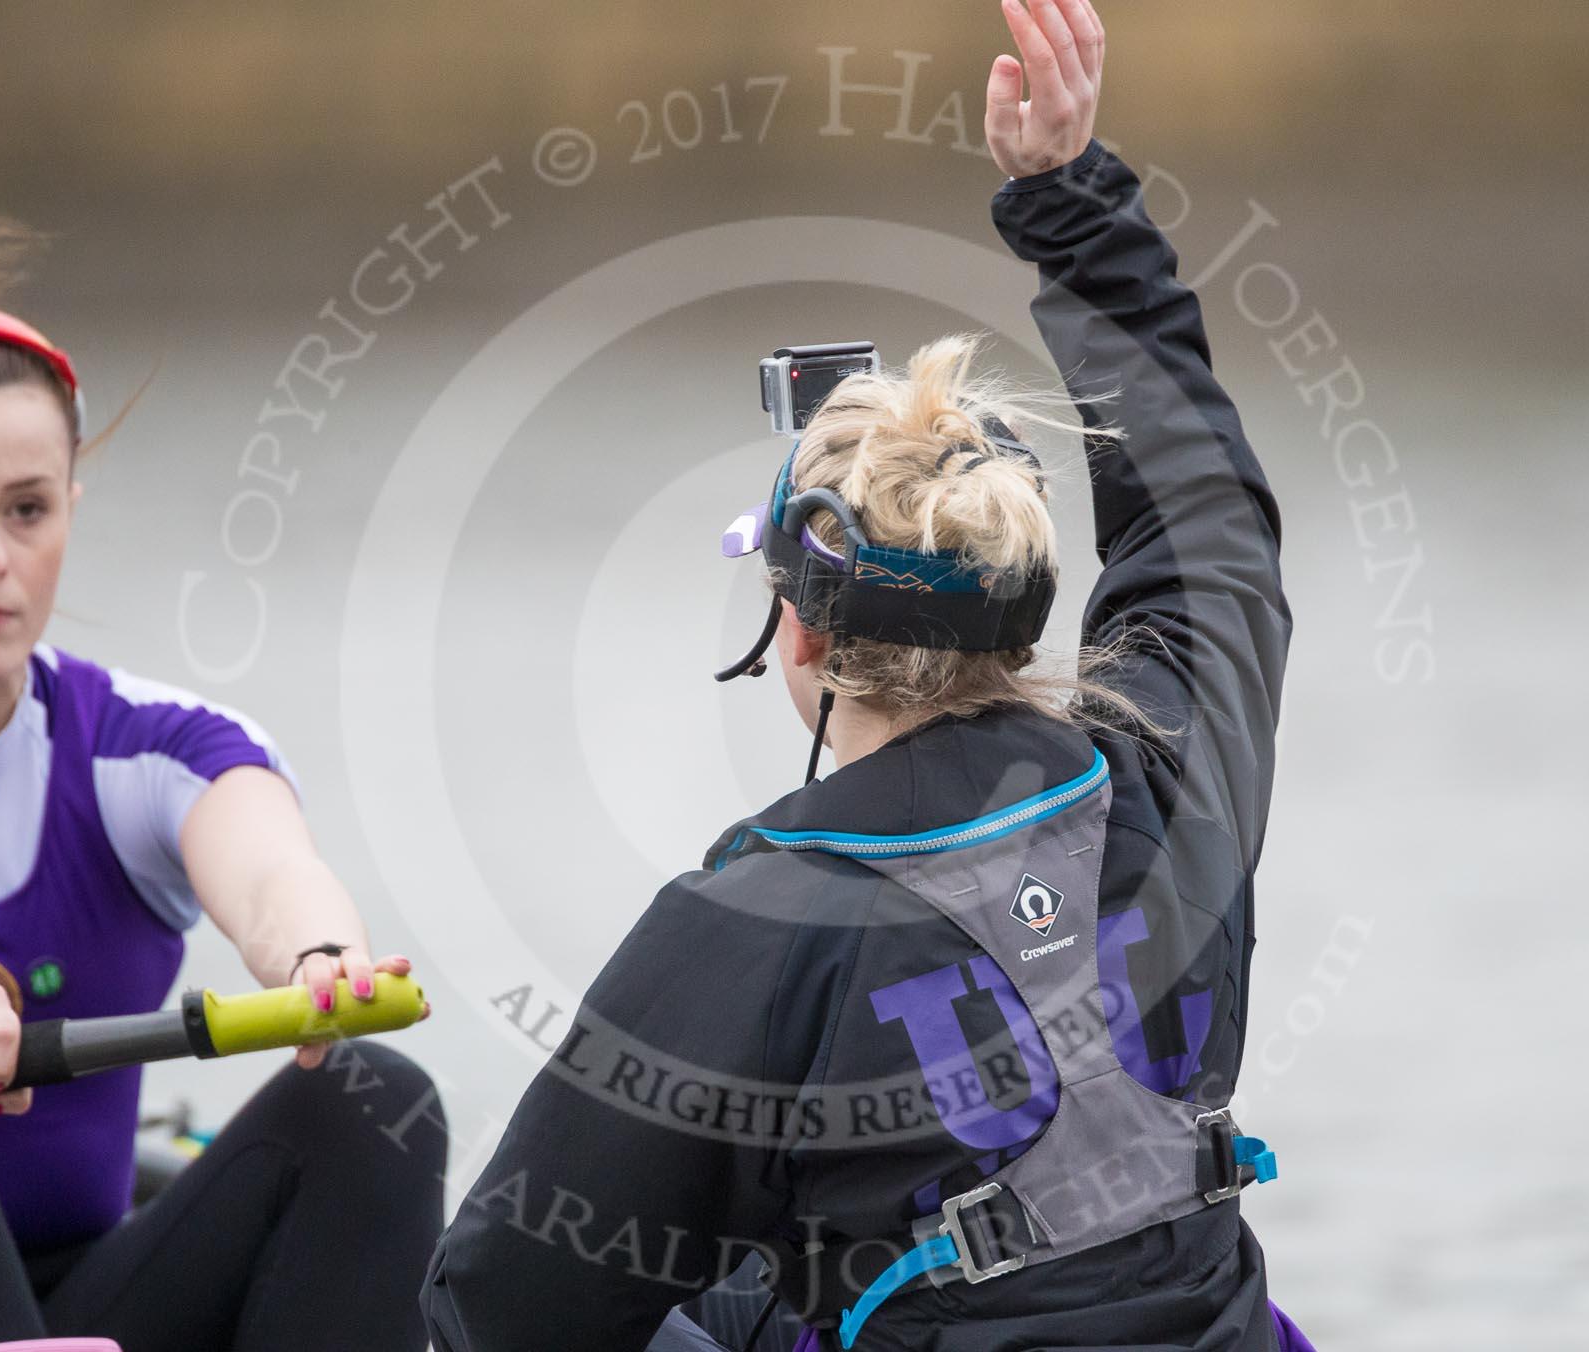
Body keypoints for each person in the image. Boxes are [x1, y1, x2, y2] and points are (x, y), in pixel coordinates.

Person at [425, 1, 1317, 1348]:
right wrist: (1068, 195)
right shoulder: (1177, 772)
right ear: (1018, 618)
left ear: (801, 632)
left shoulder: (748, 922)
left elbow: (502, 1306)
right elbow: (1209, 521)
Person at [0, 210, 447, 1352]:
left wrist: (316, 957)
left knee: (379, 1098)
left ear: (69, 514)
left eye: (27, 509)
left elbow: (268, 870)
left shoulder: (150, 743)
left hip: (83, 1295)